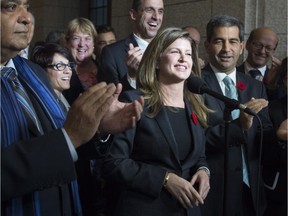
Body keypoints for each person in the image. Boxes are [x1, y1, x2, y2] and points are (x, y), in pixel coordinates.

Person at [1, 1, 144, 215]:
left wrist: (97, 128)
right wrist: (70, 137)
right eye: (10, 7)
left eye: (27, 6)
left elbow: (56, 137)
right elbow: (63, 139)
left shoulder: (32, 71)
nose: (27, 18)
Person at [102, 27, 211, 216]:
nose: (183, 59)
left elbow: (198, 156)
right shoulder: (135, 101)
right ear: (158, 61)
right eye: (175, 52)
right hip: (145, 208)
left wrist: (203, 171)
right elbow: (114, 163)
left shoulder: (195, 106)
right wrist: (165, 179)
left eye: (188, 54)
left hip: (188, 210)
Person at [200, 15, 272, 216]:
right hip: (214, 193)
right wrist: (238, 125)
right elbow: (197, 140)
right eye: (218, 41)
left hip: (253, 193)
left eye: (232, 41)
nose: (226, 49)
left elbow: (264, 134)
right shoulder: (194, 86)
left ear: (241, 46)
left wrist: (281, 137)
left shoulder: (255, 86)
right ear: (206, 46)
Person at [98, 0, 164, 92]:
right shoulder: (112, 53)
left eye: (160, 11)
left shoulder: (168, 49)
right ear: (133, 14)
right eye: (149, 10)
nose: (156, 17)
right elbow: (111, 99)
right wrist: (132, 77)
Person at [262, 57, 287, 216]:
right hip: (279, 190)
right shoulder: (272, 109)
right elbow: (263, 153)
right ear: (283, 81)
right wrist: (280, 137)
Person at [236, 27, 282, 100]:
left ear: (273, 51)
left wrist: (271, 86)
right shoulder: (232, 74)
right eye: (258, 45)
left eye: (268, 48)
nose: (262, 51)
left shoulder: (279, 80)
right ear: (247, 44)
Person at [30, 43, 74, 112]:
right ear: (42, 71)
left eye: (68, 65)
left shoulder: (61, 98)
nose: (68, 71)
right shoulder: (40, 106)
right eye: (60, 66)